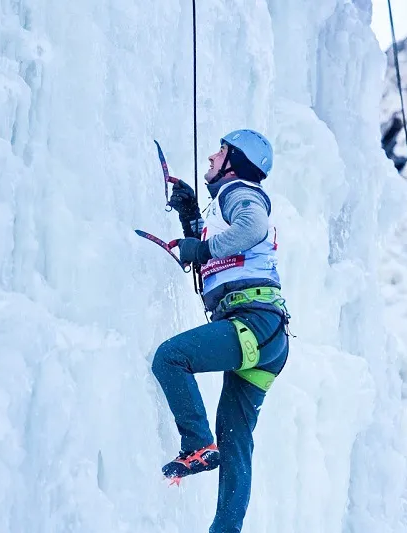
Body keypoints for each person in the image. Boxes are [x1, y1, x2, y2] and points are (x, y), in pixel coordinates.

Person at [151, 129, 290, 533]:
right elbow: (215, 254)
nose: (212, 156)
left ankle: (195, 443)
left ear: (236, 162)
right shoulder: (225, 205)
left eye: (221, 150)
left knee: (170, 357)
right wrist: (190, 216)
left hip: (253, 321)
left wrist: (202, 247)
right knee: (235, 446)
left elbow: (253, 227)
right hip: (269, 339)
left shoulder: (239, 192)